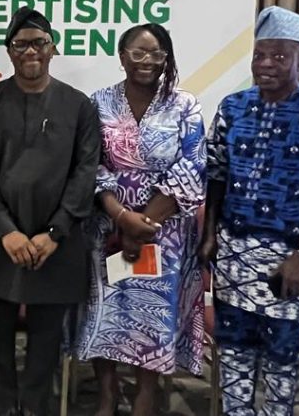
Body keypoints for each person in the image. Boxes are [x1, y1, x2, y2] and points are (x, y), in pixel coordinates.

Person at [201, 6, 299, 415]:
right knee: (233, 356)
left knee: (280, 363)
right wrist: (209, 234)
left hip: (289, 262)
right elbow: (216, 173)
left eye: (279, 55)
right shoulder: (233, 107)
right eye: (260, 55)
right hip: (234, 259)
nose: (266, 64)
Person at [0, 7, 100, 416]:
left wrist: (55, 232)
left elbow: (85, 173)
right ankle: (5, 408)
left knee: (45, 345)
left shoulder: (78, 106)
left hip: (55, 244)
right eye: (21, 44)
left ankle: (36, 409)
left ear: (53, 48)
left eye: (39, 43)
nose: (30, 51)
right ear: (9, 50)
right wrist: (6, 229)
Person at [72, 23, 206, 416]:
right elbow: (90, 163)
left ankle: (146, 394)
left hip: (165, 232)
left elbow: (193, 165)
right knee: (105, 311)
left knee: (153, 316)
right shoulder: (98, 103)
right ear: (122, 56)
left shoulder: (185, 105)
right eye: (138, 52)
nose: (147, 61)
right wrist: (121, 217)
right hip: (108, 229)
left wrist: (143, 223)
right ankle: (108, 393)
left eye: (156, 54)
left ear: (166, 59)